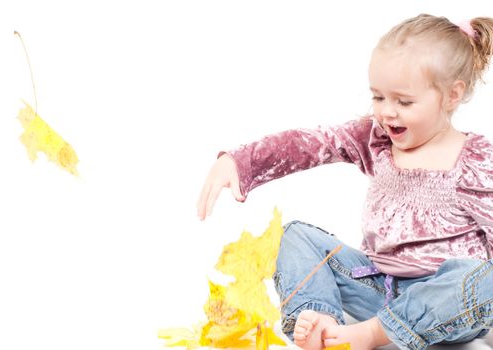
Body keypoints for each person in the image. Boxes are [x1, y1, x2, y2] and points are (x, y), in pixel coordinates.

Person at [197, 14, 493, 350]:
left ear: (451, 96)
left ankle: (372, 334)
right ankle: (319, 318)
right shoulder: (377, 139)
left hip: (441, 306)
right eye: (379, 97)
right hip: (374, 288)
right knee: (295, 236)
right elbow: (312, 143)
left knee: (486, 280)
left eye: (404, 101)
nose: (387, 112)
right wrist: (240, 161)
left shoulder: (477, 161)